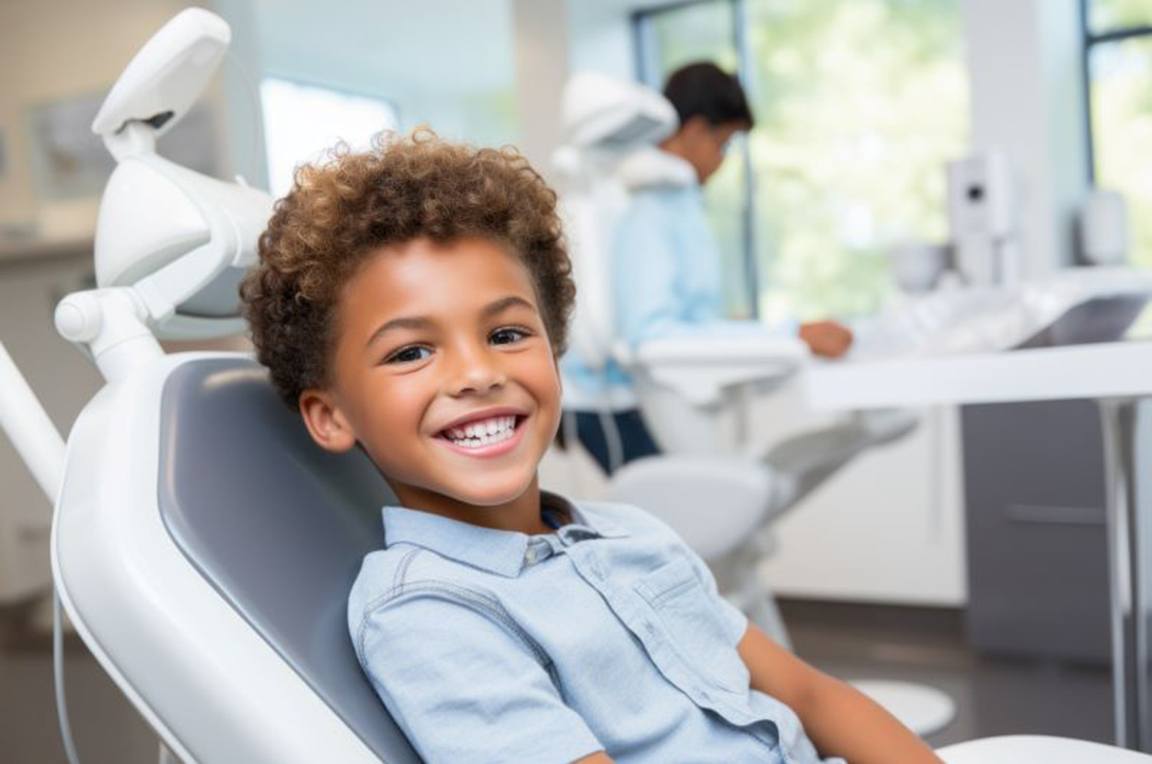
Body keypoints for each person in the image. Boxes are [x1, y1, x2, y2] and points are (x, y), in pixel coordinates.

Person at [240, 130, 940, 763]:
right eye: (412, 351)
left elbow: (810, 697)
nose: (479, 373)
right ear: (331, 416)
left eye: (507, 334)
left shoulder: (631, 535)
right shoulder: (429, 613)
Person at [560, 62, 853, 473]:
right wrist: (790, 335)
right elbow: (653, 335)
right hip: (611, 401)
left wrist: (754, 336)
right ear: (696, 130)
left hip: (630, 394)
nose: (723, 161)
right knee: (693, 518)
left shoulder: (675, 202)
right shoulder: (649, 208)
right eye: (725, 144)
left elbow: (687, 320)